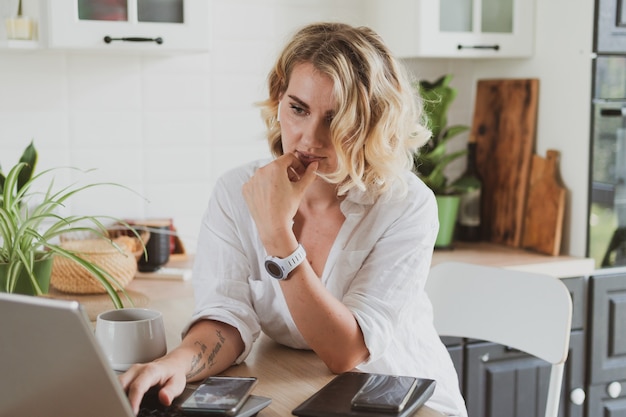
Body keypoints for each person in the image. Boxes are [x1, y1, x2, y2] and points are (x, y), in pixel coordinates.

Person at [120, 22, 468, 417]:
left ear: (373, 121)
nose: (309, 139)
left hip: (403, 399)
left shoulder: (406, 205)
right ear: (278, 99)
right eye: (298, 109)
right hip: (307, 391)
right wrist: (174, 364)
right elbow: (226, 315)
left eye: (336, 119)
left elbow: (346, 352)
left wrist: (276, 234)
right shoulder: (236, 191)